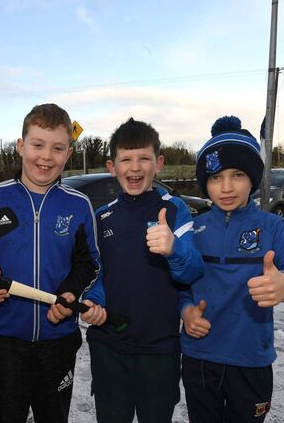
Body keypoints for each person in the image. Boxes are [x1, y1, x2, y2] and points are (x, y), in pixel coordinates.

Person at [0, 103, 104, 423]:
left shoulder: (79, 205)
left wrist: (71, 295)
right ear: (20, 146)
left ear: (68, 154)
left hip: (58, 342)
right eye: (37, 145)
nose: (46, 156)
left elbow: (89, 264)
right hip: (4, 342)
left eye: (57, 148)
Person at [80, 118, 204, 423]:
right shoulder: (102, 217)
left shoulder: (174, 209)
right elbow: (98, 276)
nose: (135, 167)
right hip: (108, 347)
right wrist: (94, 301)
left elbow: (192, 272)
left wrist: (174, 248)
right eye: (126, 159)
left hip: (159, 349)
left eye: (144, 158)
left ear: (158, 163)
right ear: (112, 166)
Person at [180, 115, 284, 423]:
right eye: (216, 177)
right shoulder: (192, 229)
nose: (227, 187)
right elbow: (179, 283)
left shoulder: (273, 227)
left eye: (237, 175)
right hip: (200, 359)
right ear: (205, 183)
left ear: (253, 177)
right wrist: (186, 311)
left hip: (251, 362)